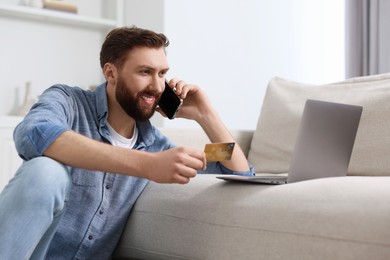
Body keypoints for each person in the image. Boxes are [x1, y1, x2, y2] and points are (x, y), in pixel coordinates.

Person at [0, 26, 254, 259]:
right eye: (145, 72)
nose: (156, 86)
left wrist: (205, 115)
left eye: (162, 73)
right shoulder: (68, 101)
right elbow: (34, 134)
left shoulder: (157, 146)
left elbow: (239, 173)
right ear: (111, 72)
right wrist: (145, 164)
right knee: (46, 171)